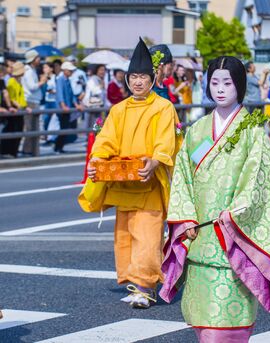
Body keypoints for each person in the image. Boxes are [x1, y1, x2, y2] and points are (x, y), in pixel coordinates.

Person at [160, 56, 270, 343]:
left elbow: (258, 179)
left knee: (227, 323)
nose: (220, 89)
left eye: (228, 83)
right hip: (200, 238)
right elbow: (183, 178)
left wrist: (235, 213)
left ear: (240, 86)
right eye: (214, 83)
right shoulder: (196, 131)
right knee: (202, 319)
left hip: (234, 237)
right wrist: (186, 219)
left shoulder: (252, 131)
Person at [82, 38, 182, 309]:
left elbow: (165, 142)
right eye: (133, 77)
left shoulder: (162, 107)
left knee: (148, 236)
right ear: (127, 80)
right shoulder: (118, 110)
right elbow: (106, 141)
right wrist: (97, 160)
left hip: (147, 183)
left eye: (143, 77)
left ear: (152, 79)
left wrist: (156, 160)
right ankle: (134, 282)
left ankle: (146, 287)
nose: (138, 82)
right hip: (124, 182)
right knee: (125, 235)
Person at [3, 62, 31, 157]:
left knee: (19, 131)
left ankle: (14, 151)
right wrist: (19, 106)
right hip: (14, 110)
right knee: (12, 131)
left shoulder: (19, 82)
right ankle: (9, 152)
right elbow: (11, 97)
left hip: (19, 110)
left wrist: (25, 106)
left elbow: (21, 96)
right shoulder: (11, 81)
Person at [55, 62, 83, 153]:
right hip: (62, 108)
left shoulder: (67, 79)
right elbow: (60, 93)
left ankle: (59, 147)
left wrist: (76, 104)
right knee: (63, 128)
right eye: (70, 70)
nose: (71, 72)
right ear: (65, 70)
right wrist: (63, 105)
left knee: (65, 128)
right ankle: (57, 147)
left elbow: (71, 95)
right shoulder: (60, 79)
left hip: (67, 108)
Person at [21, 49, 46, 155]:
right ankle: (28, 150)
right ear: (32, 59)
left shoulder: (32, 70)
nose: (39, 59)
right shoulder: (29, 71)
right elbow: (32, 87)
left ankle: (32, 150)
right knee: (31, 128)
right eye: (37, 57)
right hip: (30, 101)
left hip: (33, 100)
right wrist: (42, 82)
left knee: (33, 128)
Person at [42, 62, 58, 144]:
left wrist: (53, 91)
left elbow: (58, 89)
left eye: (46, 67)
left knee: (54, 121)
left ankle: (53, 138)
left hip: (54, 101)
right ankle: (46, 138)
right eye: (43, 68)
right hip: (47, 101)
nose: (44, 69)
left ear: (51, 69)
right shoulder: (43, 78)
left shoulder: (56, 77)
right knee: (46, 120)